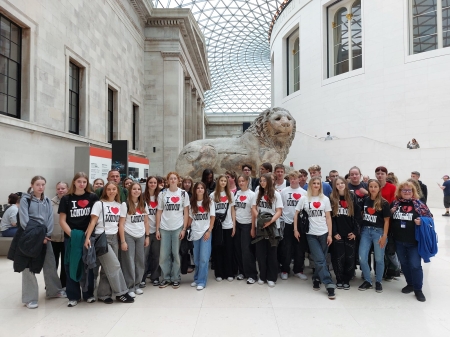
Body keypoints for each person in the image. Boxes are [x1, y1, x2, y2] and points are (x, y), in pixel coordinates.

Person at [12, 176, 66, 309]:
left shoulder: (47, 200)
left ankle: (53, 291)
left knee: (50, 263)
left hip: (44, 237)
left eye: (43, 184)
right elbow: (24, 221)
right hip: (29, 237)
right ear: (32, 185)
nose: (40, 187)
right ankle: (30, 298)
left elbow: (49, 219)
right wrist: (38, 236)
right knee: (28, 267)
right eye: (37, 184)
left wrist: (46, 235)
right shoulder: (25, 200)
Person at [84, 182, 134, 304]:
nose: (111, 191)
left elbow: (121, 224)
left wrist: (122, 241)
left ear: (117, 191)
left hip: (114, 238)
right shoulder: (99, 204)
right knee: (115, 265)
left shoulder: (120, 205)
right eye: (109, 189)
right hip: (102, 238)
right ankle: (121, 293)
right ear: (105, 191)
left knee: (107, 269)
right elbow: (93, 222)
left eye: (114, 189)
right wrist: (87, 238)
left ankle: (103, 294)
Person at [59, 173, 98, 307]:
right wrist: (73, 235)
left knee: (88, 264)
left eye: (84, 182)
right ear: (74, 182)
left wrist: (86, 235)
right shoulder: (66, 198)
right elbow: (62, 220)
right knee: (71, 264)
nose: (82, 184)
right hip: (71, 237)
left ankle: (88, 293)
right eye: (79, 181)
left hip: (88, 236)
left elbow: (94, 218)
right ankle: (73, 296)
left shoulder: (92, 197)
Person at [294, 177, 336, 299]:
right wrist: (295, 229)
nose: (316, 185)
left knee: (321, 259)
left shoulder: (325, 199)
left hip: (324, 233)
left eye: (318, 183)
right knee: (319, 259)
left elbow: (328, 217)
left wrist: (329, 234)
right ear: (310, 185)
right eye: (314, 183)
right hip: (310, 234)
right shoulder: (304, 199)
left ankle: (316, 278)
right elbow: (296, 214)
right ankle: (329, 284)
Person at [390, 181, 433, 302]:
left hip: (414, 242)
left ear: (413, 192)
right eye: (404, 190)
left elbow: (430, 218)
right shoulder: (395, 204)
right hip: (398, 241)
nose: (407, 192)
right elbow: (387, 219)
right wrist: (391, 212)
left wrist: (422, 221)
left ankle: (418, 289)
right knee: (404, 264)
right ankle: (410, 284)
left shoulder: (419, 204)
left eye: (409, 190)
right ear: (400, 192)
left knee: (415, 265)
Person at [156, 172, 190, 289]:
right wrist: (157, 229)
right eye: (171, 178)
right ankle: (166, 278)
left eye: (175, 178)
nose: (173, 180)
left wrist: (184, 228)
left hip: (178, 227)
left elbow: (186, 212)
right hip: (164, 227)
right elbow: (159, 211)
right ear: (167, 180)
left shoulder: (183, 193)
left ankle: (176, 278)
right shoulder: (163, 193)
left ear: (178, 180)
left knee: (176, 253)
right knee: (164, 255)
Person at [358, 179, 390, 293]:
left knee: (379, 258)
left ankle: (378, 281)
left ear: (379, 188)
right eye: (370, 186)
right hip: (366, 231)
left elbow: (387, 221)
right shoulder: (365, 200)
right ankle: (368, 280)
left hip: (379, 232)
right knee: (362, 257)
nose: (373, 189)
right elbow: (361, 214)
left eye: (375, 186)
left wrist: (384, 236)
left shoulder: (384, 203)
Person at [119, 183, 150, 297]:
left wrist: (147, 236)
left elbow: (146, 222)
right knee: (129, 262)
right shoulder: (125, 204)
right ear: (130, 190)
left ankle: (137, 285)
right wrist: (123, 241)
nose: (136, 191)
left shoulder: (143, 204)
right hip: (129, 235)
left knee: (140, 261)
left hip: (141, 235)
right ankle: (130, 287)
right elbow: (121, 224)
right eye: (134, 189)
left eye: (138, 189)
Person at [252, 174, 283, 287]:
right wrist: (260, 219)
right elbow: (254, 208)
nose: (262, 182)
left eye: (264, 180)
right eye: (261, 181)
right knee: (260, 253)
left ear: (269, 181)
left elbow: (279, 211)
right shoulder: (257, 193)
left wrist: (270, 222)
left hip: (272, 227)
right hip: (260, 226)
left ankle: (271, 277)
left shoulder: (276, 194)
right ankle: (262, 275)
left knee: (272, 253)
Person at [330, 177, 360, 290]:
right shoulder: (332, 197)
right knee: (338, 257)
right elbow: (331, 218)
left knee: (349, 257)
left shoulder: (352, 196)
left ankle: (347, 279)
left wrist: (355, 232)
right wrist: (334, 232)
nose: (341, 185)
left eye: (342, 183)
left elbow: (357, 216)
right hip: (338, 233)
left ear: (346, 184)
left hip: (350, 233)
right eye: (338, 184)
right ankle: (339, 278)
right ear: (335, 186)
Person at [279, 171, 307, 280]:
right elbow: (280, 207)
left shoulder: (304, 192)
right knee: (286, 247)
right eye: (291, 178)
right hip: (287, 222)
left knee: (299, 248)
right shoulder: (284, 192)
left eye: (295, 178)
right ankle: (285, 269)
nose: (293, 180)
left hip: (299, 224)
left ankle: (298, 270)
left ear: (299, 179)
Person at [188, 182, 215, 290]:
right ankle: (196, 278)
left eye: (202, 188)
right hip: (195, 232)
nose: (200, 190)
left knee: (204, 258)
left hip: (205, 232)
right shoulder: (192, 203)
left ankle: (202, 281)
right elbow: (190, 218)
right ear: (195, 190)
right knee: (197, 258)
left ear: (205, 190)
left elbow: (212, 217)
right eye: (198, 188)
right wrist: (185, 229)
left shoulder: (209, 202)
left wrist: (209, 231)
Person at [210, 174, 236, 282]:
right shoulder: (212, 195)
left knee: (228, 250)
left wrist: (234, 225)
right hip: (217, 227)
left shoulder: (230, 194)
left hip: (228, 225)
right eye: (221, 180)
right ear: (218, 181)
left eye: (225, 181)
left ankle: (229, 272)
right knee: (218, 250)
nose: (223, 182)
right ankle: (219, 273)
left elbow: (233, 210)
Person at [234, 175, 258, 284]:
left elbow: (253, 212)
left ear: (247, 181)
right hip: (238, 224)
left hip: (247, 224)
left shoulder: (252, 195)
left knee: (247, 250)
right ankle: (242, 271)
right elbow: (235, 209)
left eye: (243, 181)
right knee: (238, 249)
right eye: (239, 181)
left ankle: (252, 274)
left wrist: (253, 228)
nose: (241, 183)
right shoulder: (237, 193)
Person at [143, 176, 162, 286]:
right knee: (144, 256)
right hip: (145, 231)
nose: (153, 184)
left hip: (157, 230)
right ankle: (142, 277)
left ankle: (155, 276)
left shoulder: (161, 196)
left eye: (155, 182)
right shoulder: (142, 197)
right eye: (150, 182)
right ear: (147, 183)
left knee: (156, 255)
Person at [51, 182, 68, 288]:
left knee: (65, 263)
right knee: (53, 263)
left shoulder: (70, 201)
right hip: (53, 238)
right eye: (58, 188)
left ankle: (64, 284)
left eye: (63, 188)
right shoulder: (50, 202)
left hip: (66, 237)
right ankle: (52, 284)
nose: (61, 190)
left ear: (67, 189)